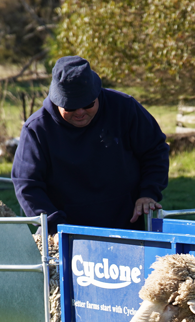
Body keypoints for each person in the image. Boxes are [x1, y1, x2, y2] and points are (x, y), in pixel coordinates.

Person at [12, 56, 170, 231]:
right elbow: (26, 183)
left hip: (129, 226)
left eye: (88, 104)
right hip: (66, 233)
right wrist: (53, 224)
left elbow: (155, 150)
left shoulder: (125, 108)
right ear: (57, 101)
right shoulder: (37, 129)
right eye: (70, 107)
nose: (80, 112)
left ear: (97, 93)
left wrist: (148, 193)